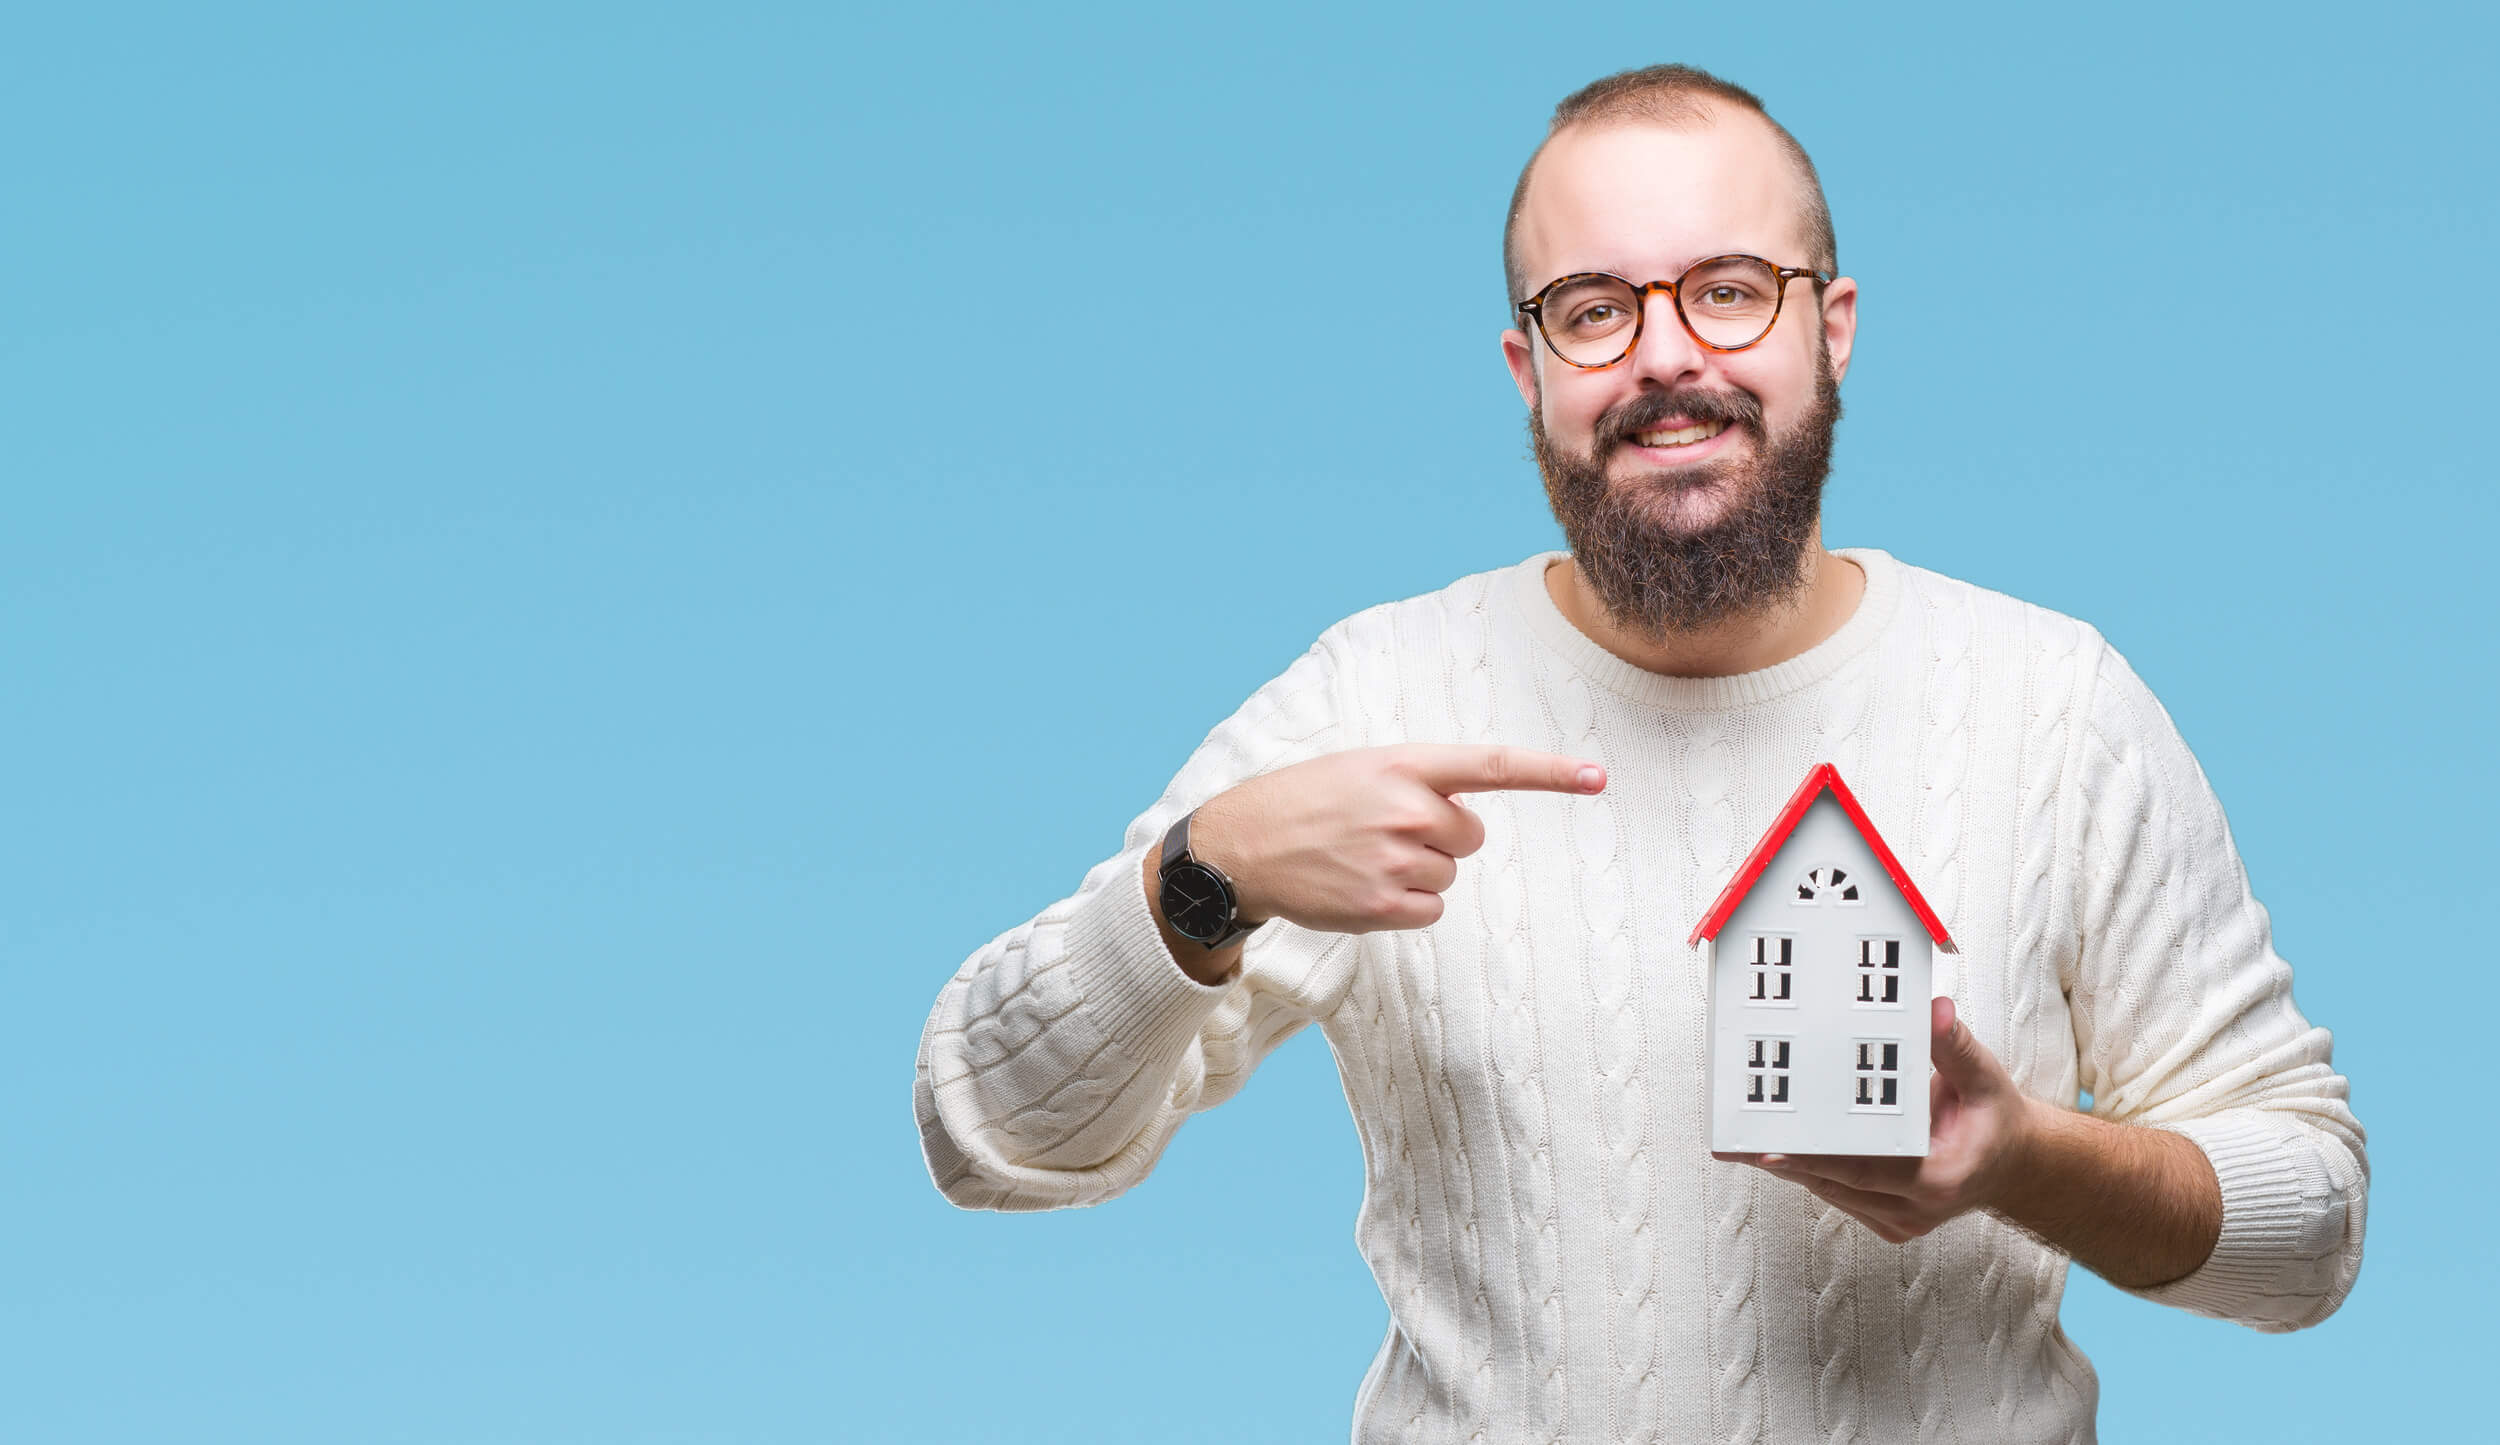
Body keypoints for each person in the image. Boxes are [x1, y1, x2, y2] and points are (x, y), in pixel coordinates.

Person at [912, 62, 2366, 1443]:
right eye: (1594, 309)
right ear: (1527, 365)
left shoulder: (2053, 704)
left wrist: (2025, 1159)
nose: (1667, 355)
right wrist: (1203, 875)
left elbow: (2312, 1230)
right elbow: (986, 1133)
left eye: (1730, 291)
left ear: (1833, 324)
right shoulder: (1383, 692)